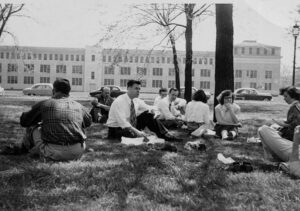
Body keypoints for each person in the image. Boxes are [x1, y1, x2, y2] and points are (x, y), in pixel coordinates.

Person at [1, 78, 92, 161]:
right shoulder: (79, 106)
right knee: (81, 126)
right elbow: (88, 123)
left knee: (33, 126)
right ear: (69, 92)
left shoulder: (44, 104)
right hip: (77, 152)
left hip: (52, 152)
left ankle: (23, 150)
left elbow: (24, 122)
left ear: (54, 91)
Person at [106, 80, 181, 141]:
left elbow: (149, 107)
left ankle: (165, 135)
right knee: (137, 136)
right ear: (128, 88)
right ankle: (139, 135)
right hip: (117, 129)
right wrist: (138, 132)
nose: (138, 91)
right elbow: (123, 123)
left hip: (131, 126)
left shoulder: (136, 100)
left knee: (148, 115)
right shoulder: (119, 101)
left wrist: (154, 111)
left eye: (139, 89)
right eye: (136, 88)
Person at [258, 86, 300, 162]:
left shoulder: (295, 107)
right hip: (293, 143)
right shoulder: (297, 106)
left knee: (263, 129)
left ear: (293, 96)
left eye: (286, 96)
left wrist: (282, 125)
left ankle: (271, 157)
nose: (284, 99)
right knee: (273, 127)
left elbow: (295, 126)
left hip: (293, 144)